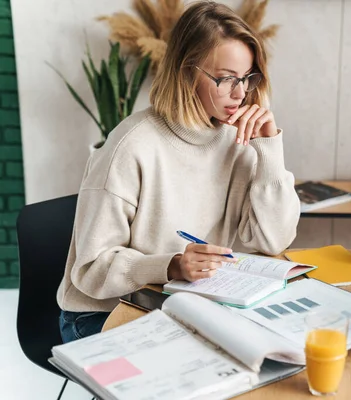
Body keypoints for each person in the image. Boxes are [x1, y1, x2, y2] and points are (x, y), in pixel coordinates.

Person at [56, 1, 300, 343]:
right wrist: (169, 266)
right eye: (226, 79)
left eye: (247, 78)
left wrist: (270, 149)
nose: (241, 93)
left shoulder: (239, 139)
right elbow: (90, 270)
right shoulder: (131, 145)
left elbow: (273, 239)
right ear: (187, 73)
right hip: (104, 312)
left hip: (181, 303)